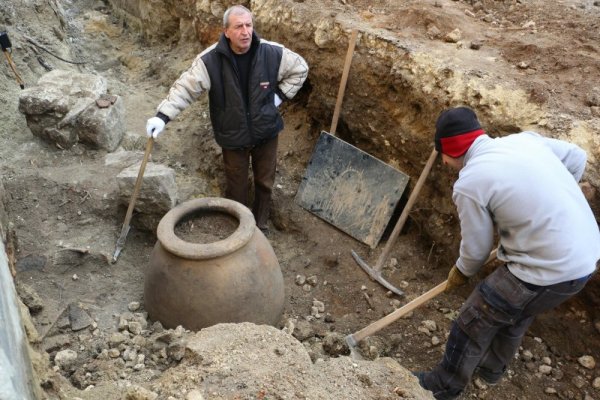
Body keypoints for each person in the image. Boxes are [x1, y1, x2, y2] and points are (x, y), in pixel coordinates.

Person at [414, 106, 600, 400]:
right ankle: (490, 371)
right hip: (586, 258)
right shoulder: (522, 141)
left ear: (448, 153)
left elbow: (475, 252)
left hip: (548, 267)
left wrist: (460, 272)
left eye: (443, 158)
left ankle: (443, 386)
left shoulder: (470, 183)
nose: (445, 164)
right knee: (515, 313)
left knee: (475, 318)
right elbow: (576, 157)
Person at [145, 5, 308, 233]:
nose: (245, 32)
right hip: (233, 136)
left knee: (265, 183)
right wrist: (162, 117)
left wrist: (279, 97)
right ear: (226, 31)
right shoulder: (210, 61)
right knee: (237, 189)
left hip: (266, 132)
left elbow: (300, 68)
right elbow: (185, 89)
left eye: (249, 25)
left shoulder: (271, 53)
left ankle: (260, 225)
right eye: (238, 26)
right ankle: (240, 229)